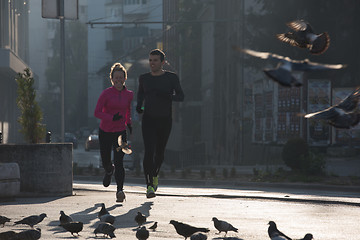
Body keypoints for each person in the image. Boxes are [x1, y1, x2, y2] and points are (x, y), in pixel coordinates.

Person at [136, 49, 184, 198]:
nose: (152, 63)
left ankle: (155, 174)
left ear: (162, 62)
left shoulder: (171, 78)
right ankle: (149, 185)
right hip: (148, 119)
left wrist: (167, 96)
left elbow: (181, 96)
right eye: (150, 60)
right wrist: (139, 106)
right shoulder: (144, 78)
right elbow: (140, 96)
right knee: (148, 152)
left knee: (159, 153)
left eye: (155, 60)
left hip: (164, 119)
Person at [94, 63, 133, 202]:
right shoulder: (106, 94)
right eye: (116, 77)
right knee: (106, 160)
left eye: (121, 77)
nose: (118, 80)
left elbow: (128, 110)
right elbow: (96, 112)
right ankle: (109, 170)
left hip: (120, 132)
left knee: (119, 161)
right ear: (112, 79)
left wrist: (129, 123)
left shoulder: (129, 95)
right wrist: (111, 117)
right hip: (105, 131)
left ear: (124, 79)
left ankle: (120, 191)